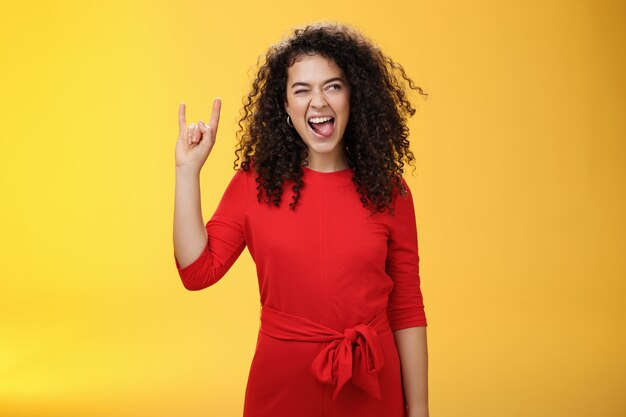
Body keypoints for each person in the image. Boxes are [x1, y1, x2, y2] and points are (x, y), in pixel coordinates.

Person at [173, 21, 430, 417]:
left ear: (353, 96)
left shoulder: (390, 192)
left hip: (373, 386)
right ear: (285, 105)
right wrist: (188, 172)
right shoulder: (254, 184)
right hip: (281, 387)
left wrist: (420, 408)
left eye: (333, 85)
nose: (319, 102)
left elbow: (407, 307)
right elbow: (197, 272)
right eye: (302, 89)